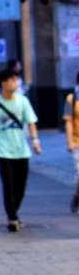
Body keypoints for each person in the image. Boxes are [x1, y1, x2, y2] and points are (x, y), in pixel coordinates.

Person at [0, 69, 41, 232]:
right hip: (3, 151)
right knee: (8, 186)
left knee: (20, 186)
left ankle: (14, 212)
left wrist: (35, 141)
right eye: (13, 80)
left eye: (16, 80)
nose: (16, 83)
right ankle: (12, 217)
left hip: (22, 150)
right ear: (3, 83)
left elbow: (31, 122)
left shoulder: (23, 101)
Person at [63, 71, 79, 213]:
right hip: (77, 141)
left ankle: (77, 195)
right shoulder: (72, 98)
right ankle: (77, 196)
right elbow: (68, 121)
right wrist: (69, 141)